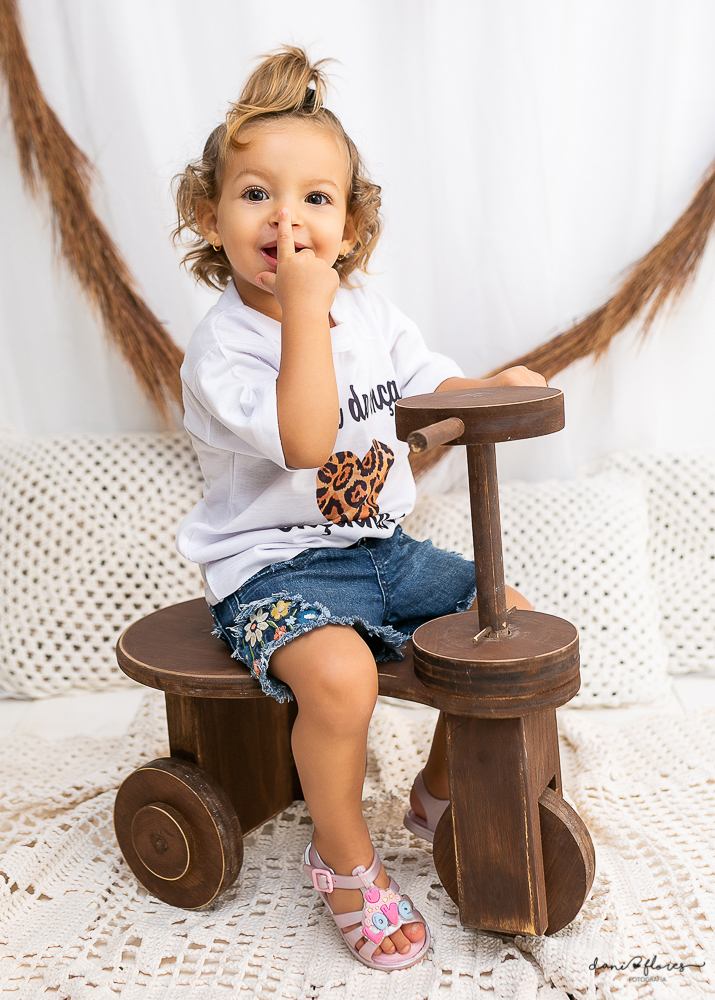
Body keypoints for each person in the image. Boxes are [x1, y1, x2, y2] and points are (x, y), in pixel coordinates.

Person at [174, 46, 546, 971]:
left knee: (504, 624)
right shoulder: (224, 350)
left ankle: (436, 793)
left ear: (350, 227)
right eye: (255, 194)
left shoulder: (371, 314)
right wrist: (308, 312)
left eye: (315, 198)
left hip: (384, 550)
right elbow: (306, 440)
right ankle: (342, 861)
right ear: (209, 217)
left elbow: (429, 398)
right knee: (340, 679)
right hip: (274, 569)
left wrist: (490, 390)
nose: (286, 219)